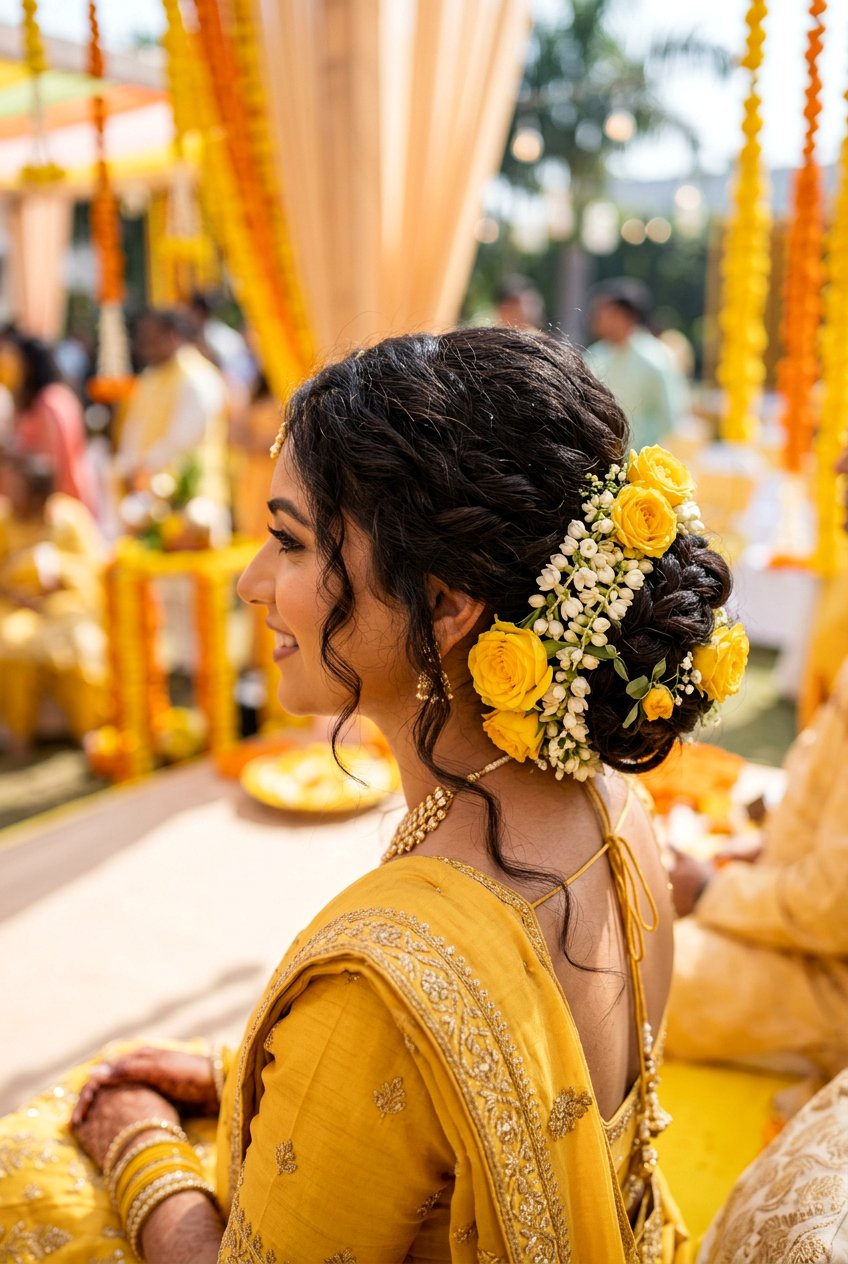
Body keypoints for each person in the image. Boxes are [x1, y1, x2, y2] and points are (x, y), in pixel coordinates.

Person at [0, 329, 739, 1261]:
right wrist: (249, 1080)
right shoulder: (617, 810)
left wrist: (141, 1144)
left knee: (32, 1162)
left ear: (442, 604)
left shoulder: (383, 990)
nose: (250, 583)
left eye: (289, 542)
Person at [667, 439, 848, 1077]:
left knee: (630, 971)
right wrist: (768, 848)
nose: (838, 463)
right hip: (799, 917)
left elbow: (832, 912)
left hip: (831, 980)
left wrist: (713, 890)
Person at [0, 452, 107, 751]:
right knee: (11, 642)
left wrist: (60, 571)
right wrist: (16, 593)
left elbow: (92, 570)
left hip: (66, 604)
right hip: (15, 609)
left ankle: (89, 728)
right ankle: (19, 734)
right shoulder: (4, 521)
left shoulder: (68, 518)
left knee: (79, 644)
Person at [115, 308, 230, 508]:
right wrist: (130, 466)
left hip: (194, 496)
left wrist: (146, 467)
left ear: (172, 336)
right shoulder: (149, 377)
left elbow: (185, 438)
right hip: (148, 494)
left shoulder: (197, 376)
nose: (145, 346)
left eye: (153, 338)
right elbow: (134, 428)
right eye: (143, 339)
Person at [0, 329, 99, 515]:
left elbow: (54, 464)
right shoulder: (39, 400)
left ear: (28, 364)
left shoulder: (51, 401)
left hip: (59, 504)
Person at [585, 279, 688, 451]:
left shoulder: (656, 358)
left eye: (604, 311)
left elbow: (672, 415)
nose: (596, 316)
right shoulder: (595, 355)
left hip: (643, 463)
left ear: (625, 316)